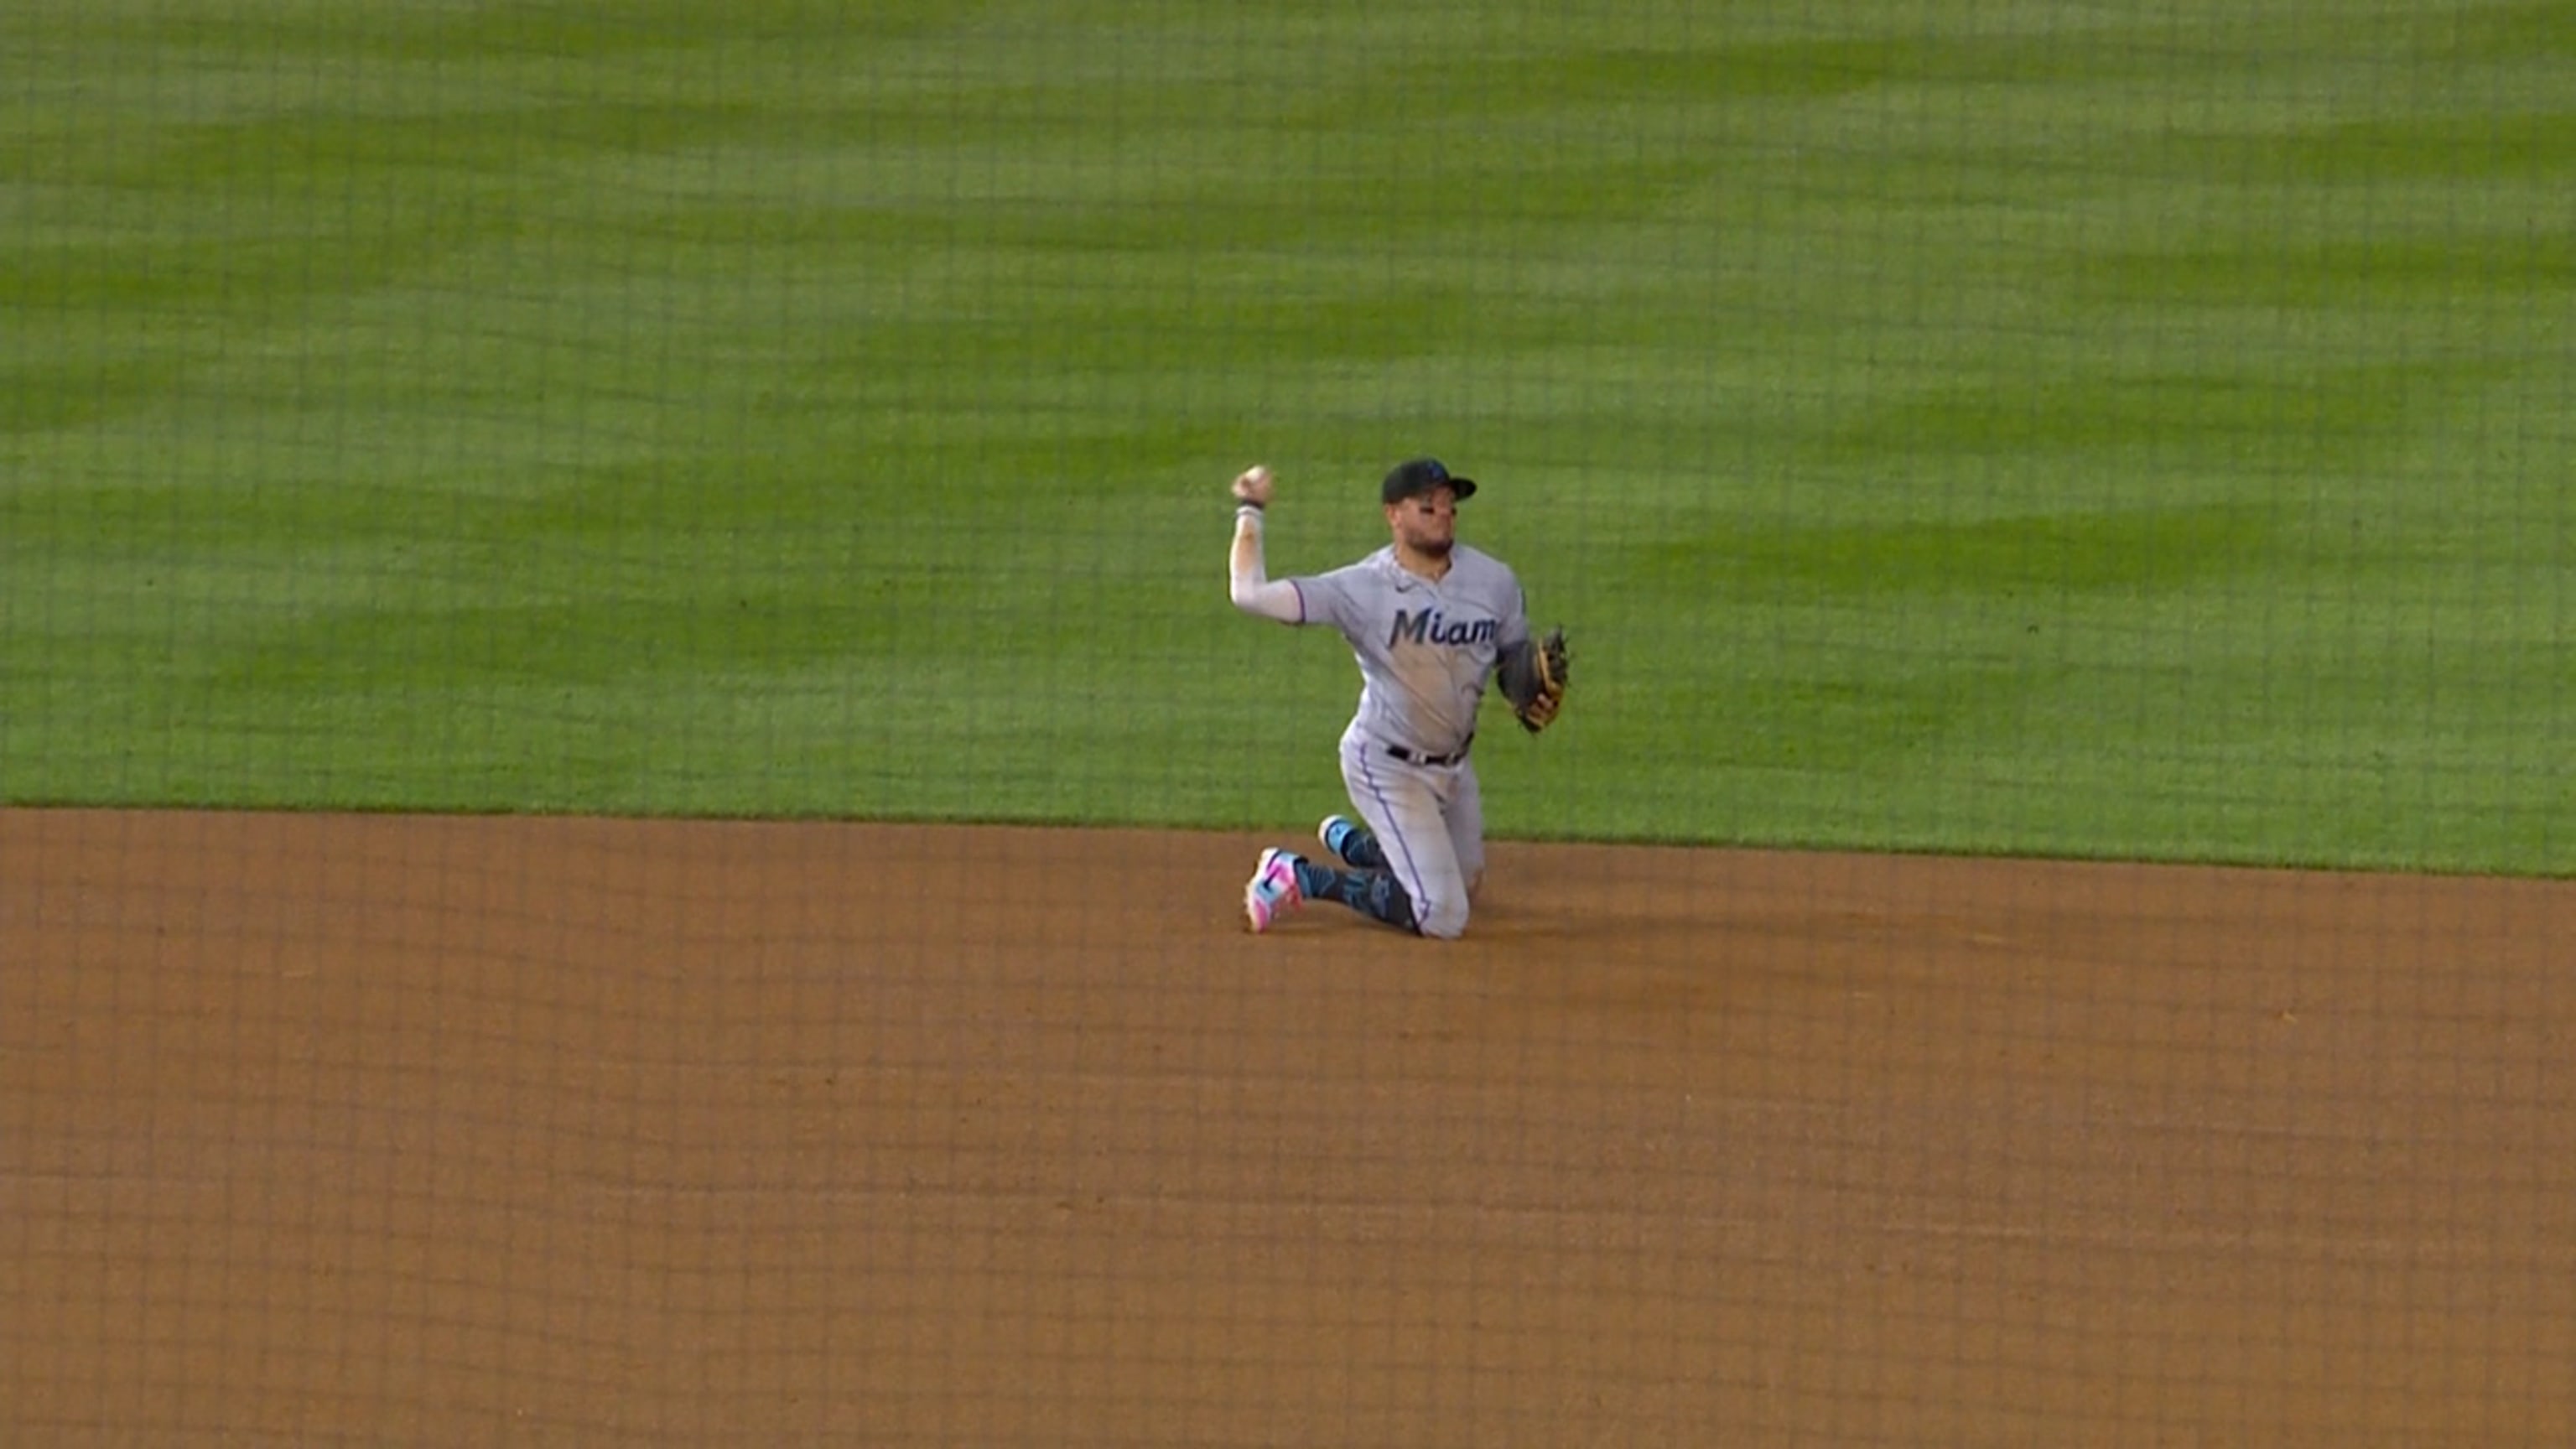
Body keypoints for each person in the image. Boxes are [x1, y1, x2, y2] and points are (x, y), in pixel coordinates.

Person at [1225, 457, 1559, 938]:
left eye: (1449, 506)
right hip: (1386, 765)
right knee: (1444, 915)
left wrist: (1525, 691)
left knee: (1466, 884)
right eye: (1428, 506)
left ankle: (1364, 848)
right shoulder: (1361, 589)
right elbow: (1248, 594)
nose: (1443, 513)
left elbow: (1512, 655)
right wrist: (1250, 509)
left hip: (1455, 767)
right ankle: (1298, 874)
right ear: (1393, 515)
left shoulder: (1494, 581)